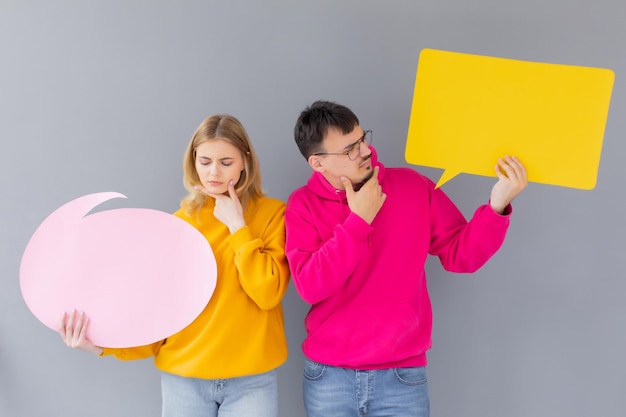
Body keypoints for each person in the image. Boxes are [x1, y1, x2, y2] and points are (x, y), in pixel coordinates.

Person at [285, 100, 527, 417]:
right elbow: (311, 286)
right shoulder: (302, 205)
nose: (364, 151)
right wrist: (358, 221)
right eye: (349, 150)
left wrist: (497, 206)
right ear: (318, 164)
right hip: (330, 377)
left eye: (361, 139)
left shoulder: (412, 186)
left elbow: (461, 255)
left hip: (401, 376)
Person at [59, 114, 290, 417]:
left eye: (226, 162)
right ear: (193, 161)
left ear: (245, 161)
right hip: (184, 381)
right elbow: (157, 313)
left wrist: (237, 226)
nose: (214, 173)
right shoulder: (177, 225)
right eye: (205, 161)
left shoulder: (274, 215)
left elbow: (267, 293)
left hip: (252, 381)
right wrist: (102, 346)